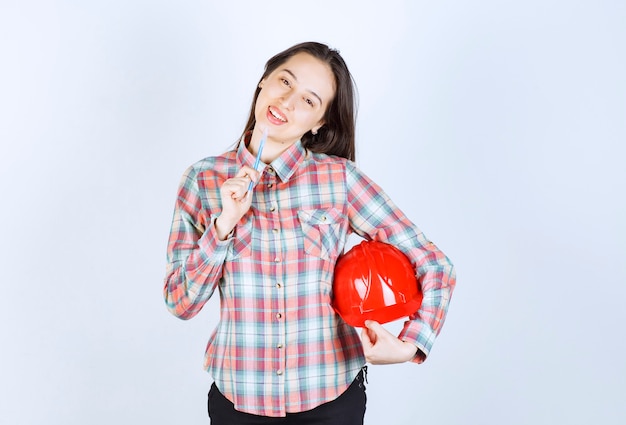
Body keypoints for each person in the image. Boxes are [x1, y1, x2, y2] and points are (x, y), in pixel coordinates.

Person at [163, 41, 456, 425]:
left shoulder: (341, 181)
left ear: (319, 122)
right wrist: (222, 226)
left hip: (332, 401)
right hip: (239, 401)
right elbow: (180, 303)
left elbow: (434, 263)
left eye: (309, 100)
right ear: (264, 81)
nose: (287, 101)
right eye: (284, 81)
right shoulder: (202, 180)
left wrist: (411, 343)